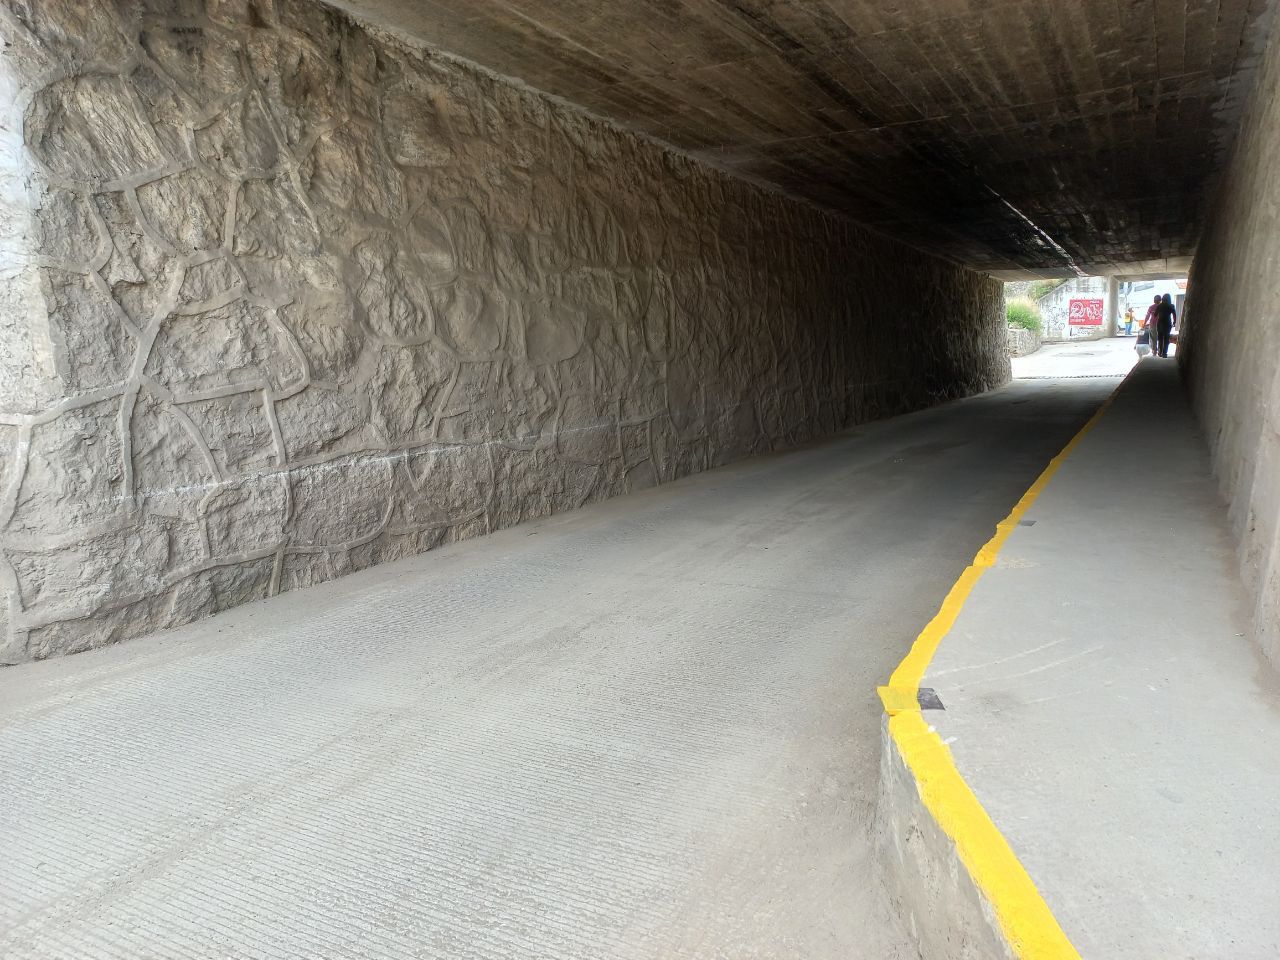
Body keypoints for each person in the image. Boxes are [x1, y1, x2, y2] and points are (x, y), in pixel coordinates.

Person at [1155, 293, 1177, 358]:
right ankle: (1164, 353)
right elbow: (1174, 315)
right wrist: (1174, 322)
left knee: (1160, 338)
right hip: (1167, 323)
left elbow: (1155, 315)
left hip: (1160, 323)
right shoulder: (1171, 306)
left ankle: (1160, 352)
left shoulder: (1159, 306)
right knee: (1166, 339)